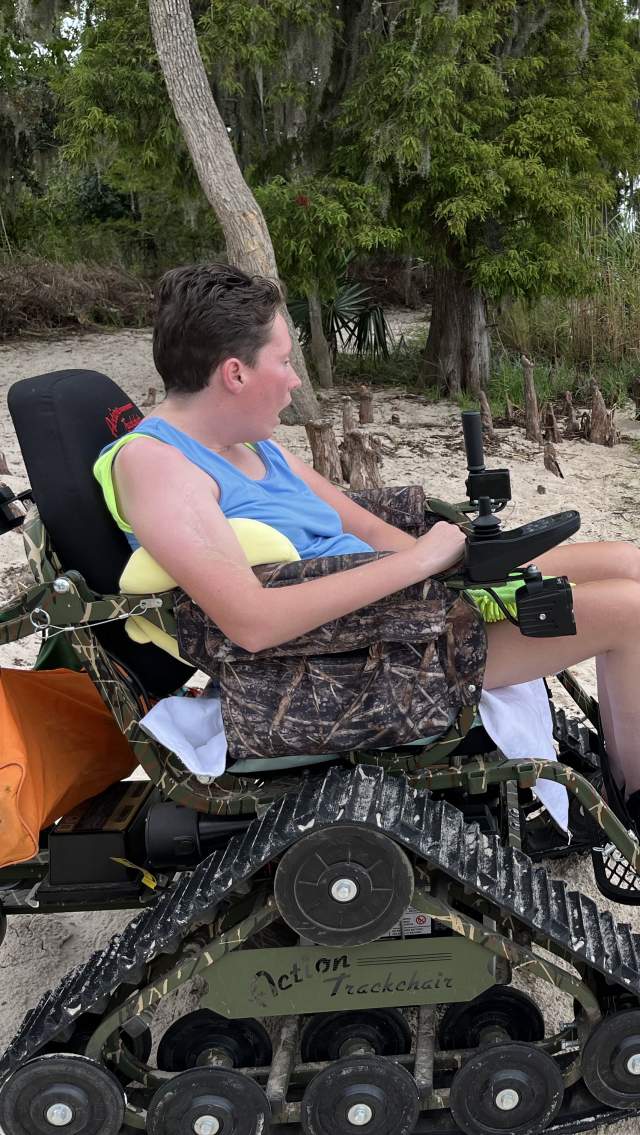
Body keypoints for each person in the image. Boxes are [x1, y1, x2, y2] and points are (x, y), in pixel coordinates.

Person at [100, 263, 640, 823]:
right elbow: (250, 622)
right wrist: (422, 563)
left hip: (402, 612)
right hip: (351, 661)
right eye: (284, 362)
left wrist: (448, 565)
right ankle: (631, 803)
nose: (294, 380)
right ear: (235, 373)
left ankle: (620, 761)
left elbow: (366, 528)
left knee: (626, 561)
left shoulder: (251, 445)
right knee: (630, 611)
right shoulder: (158, 467)